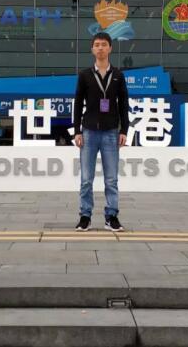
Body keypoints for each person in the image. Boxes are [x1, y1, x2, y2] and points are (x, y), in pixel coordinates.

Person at [73, 32, 129, 232]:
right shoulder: (85, 75)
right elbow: (78, 103)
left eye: (104, 44)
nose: (100, 48)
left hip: (111, 132)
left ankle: (111, 216)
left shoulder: (118, 75)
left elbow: (123, 104)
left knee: (111, 179)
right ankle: (85, 216)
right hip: (89, 132)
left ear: (110, 48)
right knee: (86, 179)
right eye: (97, 45)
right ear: (92, 49)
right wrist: (77, 131)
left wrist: (124, 130)